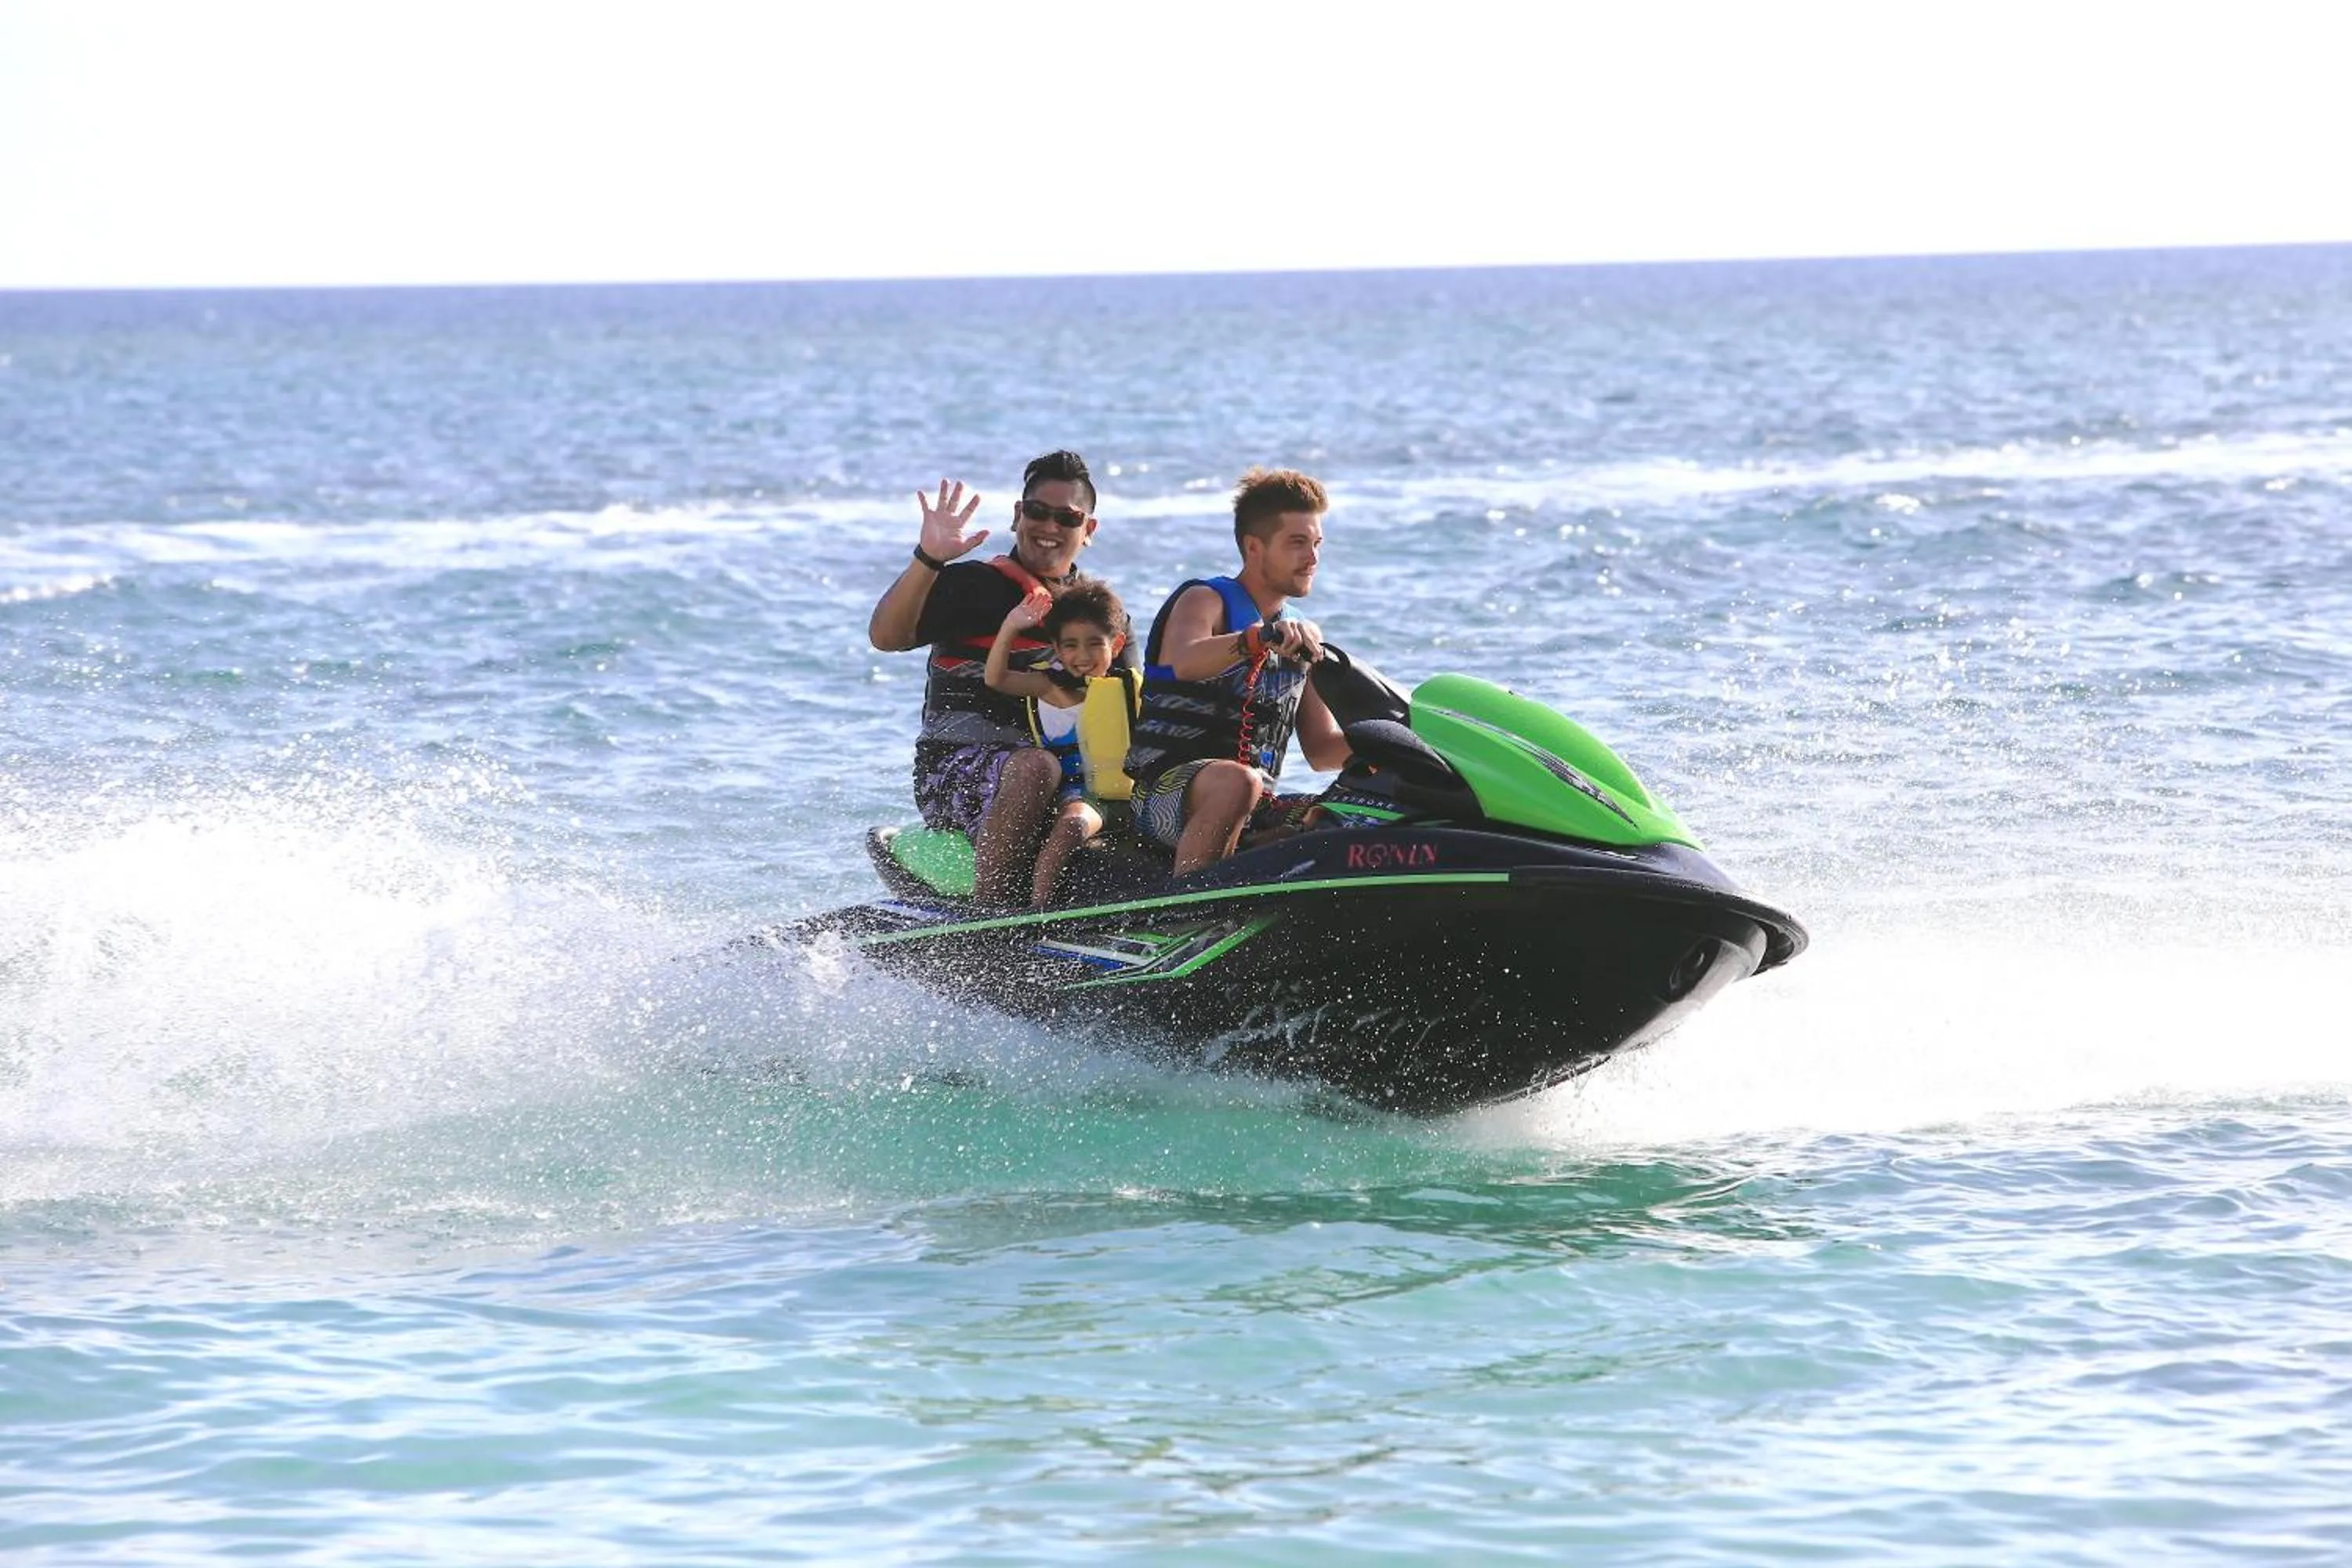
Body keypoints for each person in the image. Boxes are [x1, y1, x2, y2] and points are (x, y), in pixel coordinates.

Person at [867, 449, 1121, 904]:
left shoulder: (1100, 617)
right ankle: (993, 921)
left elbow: (1131, 706)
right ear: (1018, 515)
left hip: (1066, 776)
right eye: (1038, 512)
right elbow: (887, 637)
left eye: (1066, 518)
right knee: (1034, 765)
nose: (1049, 527)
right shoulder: (976, 586)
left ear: (1089, 530)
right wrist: (929, 559)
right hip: (955, 773)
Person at [1125, 467, 1351, 875]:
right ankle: (1185, 908)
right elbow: (1185, 660)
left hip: (1252, 803)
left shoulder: (1299, 632)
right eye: (1297, 543)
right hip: (1164, 796)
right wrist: (1256, 639)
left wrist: (1405, 747)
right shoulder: (1205, 601)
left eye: (1317, 543)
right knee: (1239, 782)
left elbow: (1321, 749)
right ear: (1254, 547)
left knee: (1349, 815)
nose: (1313, 558)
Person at [982, 580, 1140, 908]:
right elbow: (995, 678)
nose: (1082, 656)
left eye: (1095, 643)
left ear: (1117, 643)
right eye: (1070, 645)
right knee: (1073, 824)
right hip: (1076, 798)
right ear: (1057, 649)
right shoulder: (1049, 687)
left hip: (1125, 800)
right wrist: (1012, 626)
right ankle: (1039, 910)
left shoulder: (1132, 690)